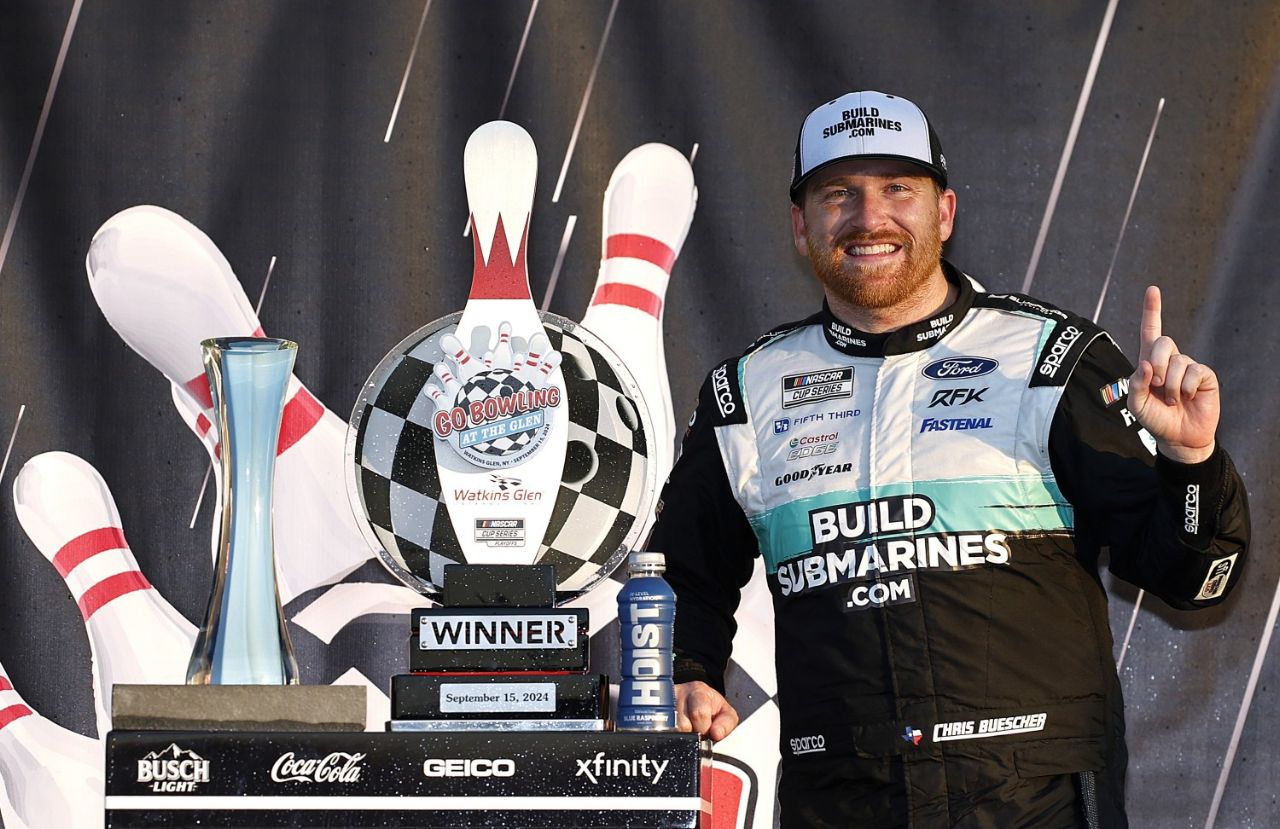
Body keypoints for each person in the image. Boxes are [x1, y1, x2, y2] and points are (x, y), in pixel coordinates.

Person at [646, 90, 1250, 829]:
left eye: (899, 188)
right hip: (837, 797)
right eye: (841, 194)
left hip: (1032, 799)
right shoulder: (746, 390)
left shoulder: (1051, 360)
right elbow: (681, 574)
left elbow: (1194, 578)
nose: (871, 218)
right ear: (801, 227)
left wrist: (1191, 458)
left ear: (946, 212)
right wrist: (684, 671)